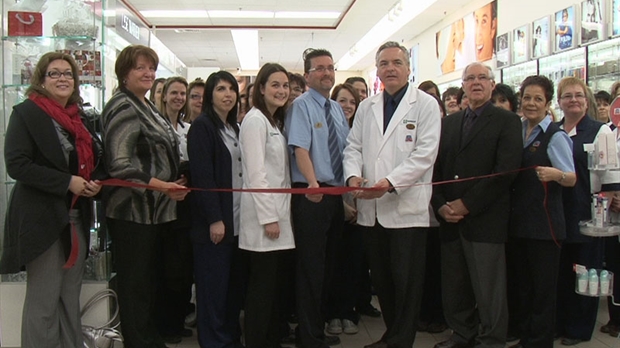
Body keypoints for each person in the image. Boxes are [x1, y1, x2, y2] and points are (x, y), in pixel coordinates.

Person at [0, 52, 104, 348]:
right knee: (43, 300)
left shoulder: (78, 118)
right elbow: (17, 165)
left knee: (69, 298)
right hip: (43, 220)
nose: (62, 79)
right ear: (41, 80)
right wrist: (66, 182)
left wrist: (92, 181)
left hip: (75, 218)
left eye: (68, 74)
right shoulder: (26, 113)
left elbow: (85, 163)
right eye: (54, 73)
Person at [344, 41, 442, 348]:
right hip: (371, 210)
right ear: (377, 70)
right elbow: (353, 147)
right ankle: (392, 335)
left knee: (407, 282)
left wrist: (388, 182)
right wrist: (352, 176)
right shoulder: (367, 106)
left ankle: (401, 341)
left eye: (397, 63)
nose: (390, 68)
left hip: (406, 208)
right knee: (383, 281)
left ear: (408, 68)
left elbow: (425, 155)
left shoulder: (425, 105)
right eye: (384, 63)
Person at [101, 44, 189, 348]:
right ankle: (138, 342)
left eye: (151, 68)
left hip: (156, 211)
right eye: (140, 67)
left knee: (150, 283)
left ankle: (149, 338)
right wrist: (160, 185)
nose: (148, 73)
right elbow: (119, 164)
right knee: (135, 285)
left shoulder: (147, 105)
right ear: (124, 73)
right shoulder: (122, 106)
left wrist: (172, 183)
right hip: (131, 213)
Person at [431, 62, 522, 348]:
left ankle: (491, 340)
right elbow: (435, 169)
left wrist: (466, 204)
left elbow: (506, 171)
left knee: (489, 289)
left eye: (483, 78)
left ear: (492, 84)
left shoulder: (506, 121)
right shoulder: (449, 123)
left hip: (485, 219)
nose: (476, 82)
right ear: (463, 86)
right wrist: (441, 205)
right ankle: (461, 334)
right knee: (455, 287)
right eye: (470, 78)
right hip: (450, 220)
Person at [284, 47, 349, 348]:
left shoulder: (335, 109)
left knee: (328, 266)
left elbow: (346, 152)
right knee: (311, 268)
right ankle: (308, 337)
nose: (326, 73)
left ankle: (317, 329)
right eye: (319, 68)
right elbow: (300, 148)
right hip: (312, 194)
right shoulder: (301, 106)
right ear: (308, 75)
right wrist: (312, 184)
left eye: (330, 67)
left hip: (335, 195)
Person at [507, 75, 576, 348]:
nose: (531, 103)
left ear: (548, 104)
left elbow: (571, 177)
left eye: (538, 99)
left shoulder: (555, 136)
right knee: (523, 288)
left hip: (544, 227)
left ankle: (539, 342)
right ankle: (526, 338)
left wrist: (555, 174)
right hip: (519, 223)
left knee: (542, 291)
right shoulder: (518, 129)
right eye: (527, 98)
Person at [555, 77, 620, 346]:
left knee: (585, 270)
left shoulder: (600, 131)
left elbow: (610, 172)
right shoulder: (554, 130)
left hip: (588, 211)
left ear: (587, 100)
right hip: (557, 210)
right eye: (567, 95)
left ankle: (579, 329)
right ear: (558, 101)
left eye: (579, 95)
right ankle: (559, 322)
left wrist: (613, 198)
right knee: (560, 271)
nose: (573, 100)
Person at [238, 62, 295, 348]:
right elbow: (256, 173)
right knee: (261, 289)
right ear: (260, 89)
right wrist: (269, 217)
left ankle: (270, 340)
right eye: (275, 84)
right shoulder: (255, 120)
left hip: (278, 217)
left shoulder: (274, 122)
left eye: (285, 85)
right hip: (264, 221)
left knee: (273, 288)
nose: (281, 90)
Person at [187, 71, 245, 348]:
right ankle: (213, 341)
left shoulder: (233, 128)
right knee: (212, 288)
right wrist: (215, 219)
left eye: (232, 89)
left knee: (230, 287)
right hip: (215, 222)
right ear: (210, 94)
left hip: (235, 220)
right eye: (221, 88)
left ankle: (229, 337)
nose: (228, 94)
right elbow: (203, 177)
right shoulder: (202, 127)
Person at [155, 76, 194, 343]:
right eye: (174, 93)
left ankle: (178, 320)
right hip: (160, 201)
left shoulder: (187, 128)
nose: (179, 97)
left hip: (185, 199)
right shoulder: (156, 125)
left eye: (183, 93)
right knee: (166, 268)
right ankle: (165, 325)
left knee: (182, 267)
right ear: (164, 95)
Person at [325, 83, 362, 336]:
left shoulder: (361, 132)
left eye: (352, 102)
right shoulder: (329, 132)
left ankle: (348, 312)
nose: (347, 106)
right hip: (334, 206)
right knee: (333, 263)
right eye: (342, 100)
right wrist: (341, 205)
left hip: (361, 208)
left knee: (354, 263)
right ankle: (331, 314)